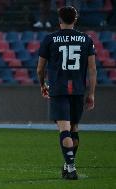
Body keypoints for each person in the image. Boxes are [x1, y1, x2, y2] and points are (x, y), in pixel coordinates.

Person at [37, 6, 97, 180]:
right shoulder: (86, 39)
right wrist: (91, 93)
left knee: (64, 130)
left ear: (59, 19)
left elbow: (40, 69)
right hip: (78, 90)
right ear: (75, 19)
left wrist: (42, 84)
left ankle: (70, 168)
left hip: (59, 89)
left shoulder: (50, 39)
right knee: (74, 129)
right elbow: (92, 70)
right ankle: (68, 164)